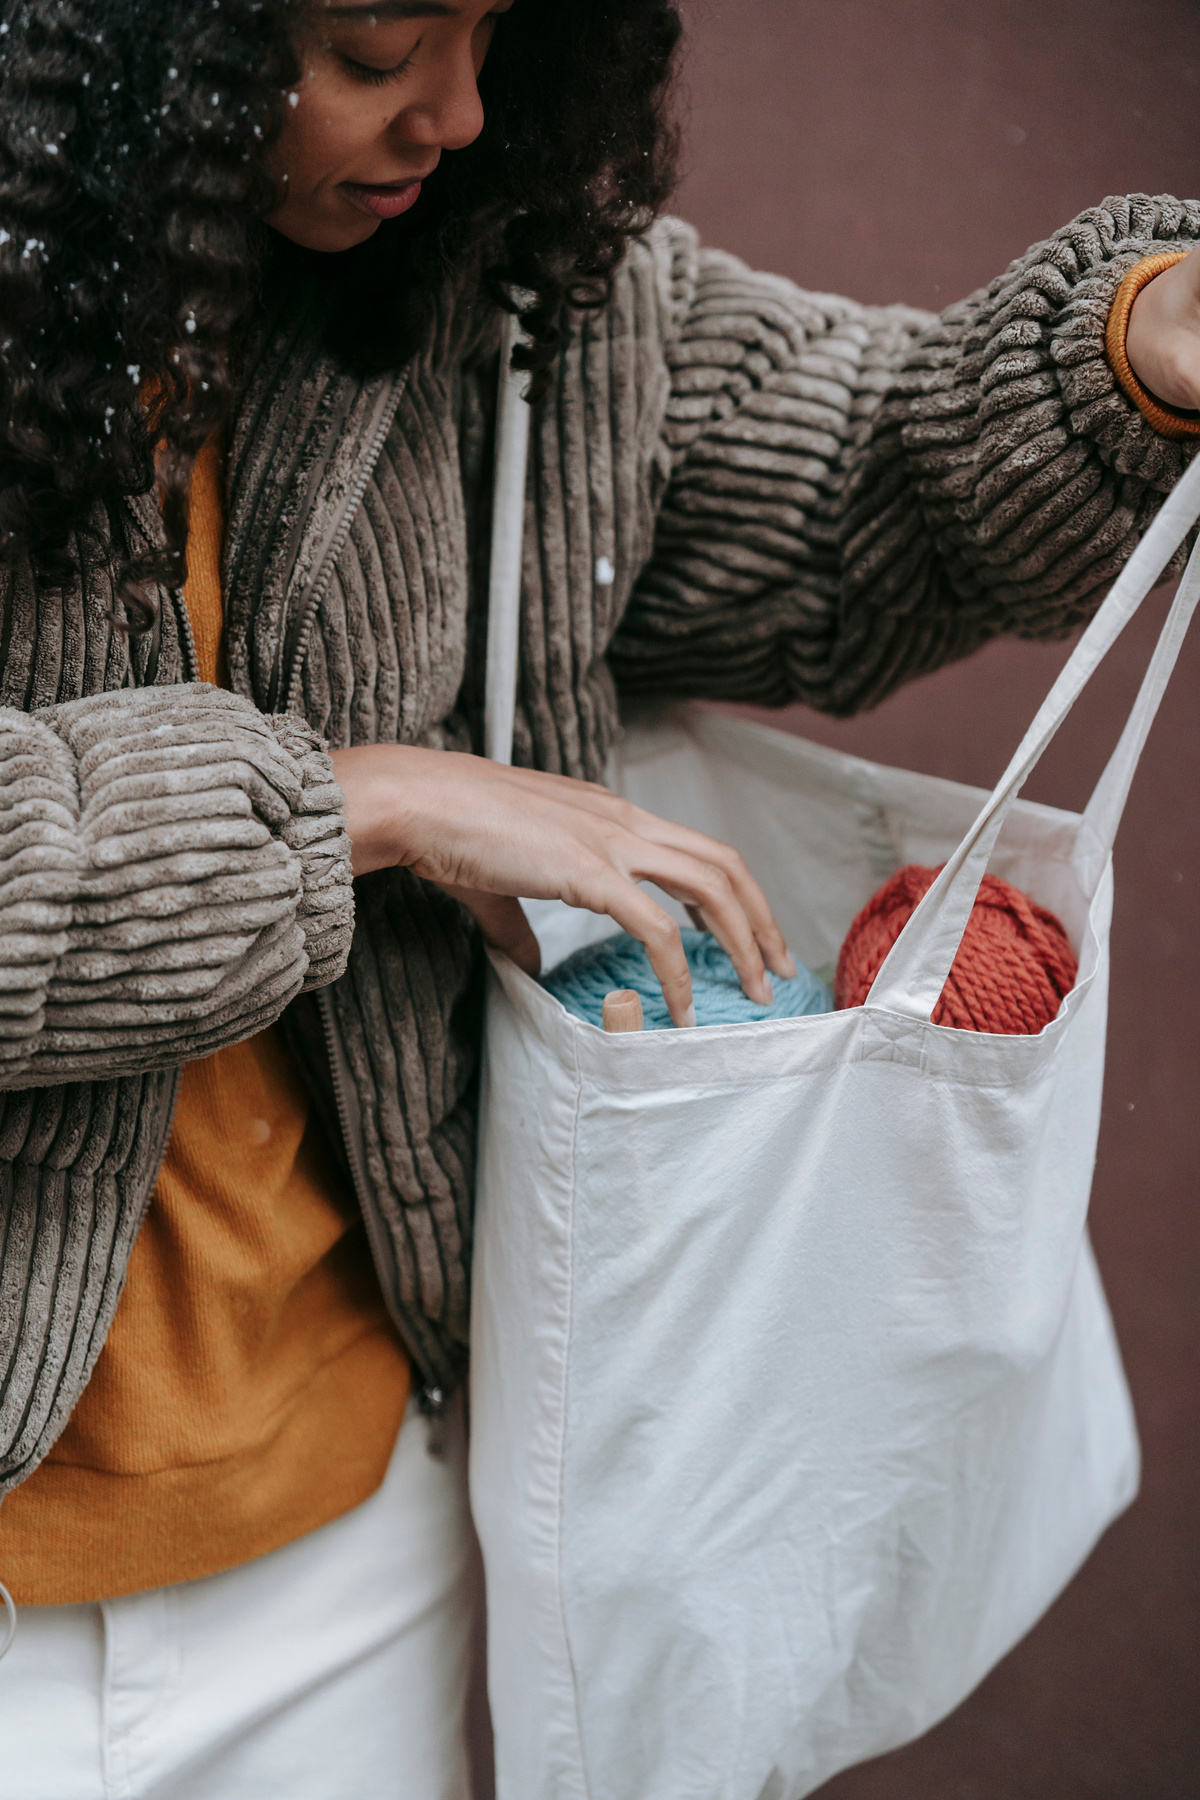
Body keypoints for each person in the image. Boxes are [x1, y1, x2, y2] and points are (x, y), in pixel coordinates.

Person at [0, 0, 1197, 1793]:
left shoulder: (514, 309)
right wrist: (369, 806)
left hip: (354, 1546)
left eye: (498, 32)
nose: (461, 115)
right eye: (375, 43)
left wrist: (1142, 349)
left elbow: (866, 473)